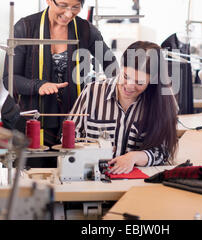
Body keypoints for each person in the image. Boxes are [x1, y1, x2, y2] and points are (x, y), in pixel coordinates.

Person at [2, 0, 117, 148]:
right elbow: (9, 80)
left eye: (76, 7)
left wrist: (103, 91)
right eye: (63, 6)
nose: (69, 14)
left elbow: (112, 68)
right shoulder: (25, 28)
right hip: (32, 121)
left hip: (74, 121)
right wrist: (39, 85)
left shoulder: (87, 31)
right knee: (35, 173)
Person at [68, 41, 178, 174]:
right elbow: (68, 137)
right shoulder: (92, 92)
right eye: (126, 76)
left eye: (140, 82)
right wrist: (89, 150)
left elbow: (164, 151)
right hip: (90, 178)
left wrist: (134, 157)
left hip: (135, 185)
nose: (129, 86)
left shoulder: (160, 104)